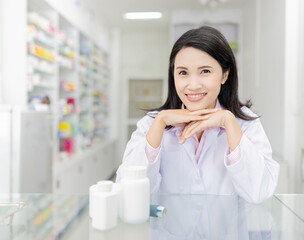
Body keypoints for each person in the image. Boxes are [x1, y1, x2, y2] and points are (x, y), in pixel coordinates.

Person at [116, 26, 279, 203]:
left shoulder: (243, 122)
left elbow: (260, 192)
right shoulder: (152, 123)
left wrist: (228, 122)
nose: (193, 85)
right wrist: (160, 123)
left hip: (225, 230)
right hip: (169, 230)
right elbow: (126, 191)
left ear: (224, 75)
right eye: (183, 73)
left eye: (205, 71)